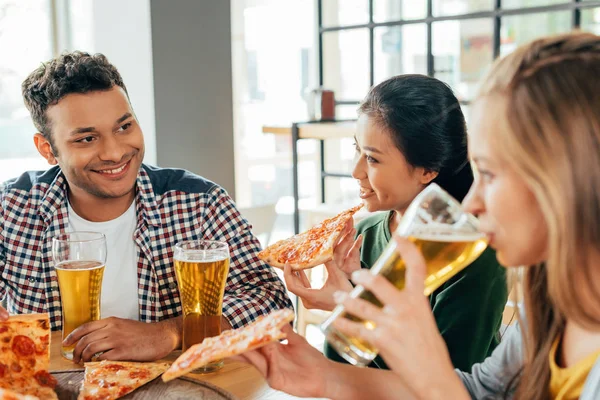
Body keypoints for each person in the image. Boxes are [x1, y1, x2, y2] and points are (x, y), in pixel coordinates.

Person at [237, 31, 600, 399]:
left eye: (488, 173)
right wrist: (324, 376)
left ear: (567, 179)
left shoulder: (477, 260)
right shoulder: (552, 302)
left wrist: (417, 358)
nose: (471, 204)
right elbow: (482, 391)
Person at [0, 51, 292, 363]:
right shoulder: (11, 207)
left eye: (124, 126)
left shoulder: (200, 202)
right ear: (48, 149)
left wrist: (171, 332)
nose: (114, 152)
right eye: (86, 139)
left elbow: (274, 306)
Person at [284, 74, 507, 372]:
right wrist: (343, 306)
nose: (355, 171)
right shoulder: (361, 237)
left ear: (427, 169)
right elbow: (342, 366)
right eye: (356, 150)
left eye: (373, 159)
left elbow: (446, 383)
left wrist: (350, 305)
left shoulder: (475, 257)